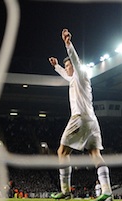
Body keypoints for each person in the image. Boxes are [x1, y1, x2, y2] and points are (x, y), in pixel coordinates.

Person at [48, 29, 112, 201]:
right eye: (67, 67)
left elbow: (74, 60)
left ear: (75, 66)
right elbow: (67, 75)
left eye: (69, 66)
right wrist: (57, 67)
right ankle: (107, 191)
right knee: (95, 154)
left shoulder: (81, 73)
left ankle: (66, 191)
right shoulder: (76, 79)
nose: (68, 69)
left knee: (62, 152)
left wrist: (68, 44)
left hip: (79, 119)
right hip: (92, 121)